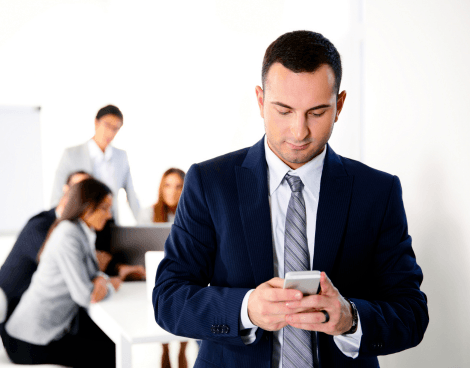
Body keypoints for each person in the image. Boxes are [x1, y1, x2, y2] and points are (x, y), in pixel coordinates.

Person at [153, 30, 429, 368]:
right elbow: (169, 299)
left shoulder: (377, 192)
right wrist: (247, 308)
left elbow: (411, 312)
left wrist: (350, 319)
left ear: (339, 105)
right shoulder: (210, 182)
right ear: (260, 101)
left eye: (316, 112)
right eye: (283, 111)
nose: (299, 132)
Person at [4, 178, 117, 367]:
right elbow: (85, 295)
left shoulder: (83, 231)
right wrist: (105, 283)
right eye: (104, 208)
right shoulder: (68, 234)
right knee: (108, 352)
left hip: (48, 332)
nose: (109, 215)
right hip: (28, 341)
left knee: (108, 345)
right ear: (87, 207)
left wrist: (100, 278)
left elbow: (94, 276)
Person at [0, 170, 90, 353]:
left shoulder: (75, 230)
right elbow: (77, 269)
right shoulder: (40, 227)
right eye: (78, 189)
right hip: (8, 328)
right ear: (65, 190)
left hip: (38, 324)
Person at [50, 104, 140, 221]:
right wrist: (55, 222)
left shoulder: (121, 157)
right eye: (107, 125)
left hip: (109, 221)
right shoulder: (71, 154)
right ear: (96, 123)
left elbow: (131, 194)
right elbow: (57, 194)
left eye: (115, 128)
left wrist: (144, 224)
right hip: (82, 221)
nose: (111, 132)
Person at [138, 168, 188, 368]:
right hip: (155, 276)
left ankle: (183, 350)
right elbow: (139, 247)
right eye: (167, 185)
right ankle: (165, 349)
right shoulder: (148, 214)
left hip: (185, 276)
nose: (172, 191)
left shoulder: (190, 215)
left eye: (178, 186)